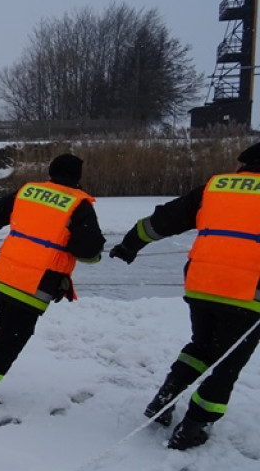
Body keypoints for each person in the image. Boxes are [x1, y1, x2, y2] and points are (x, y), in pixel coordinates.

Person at [109, 141, 260, 450]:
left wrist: (130, 244)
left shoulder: (215, 188)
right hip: (246, 293)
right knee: (227, 365)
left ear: (243, 164)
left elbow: (164, 220)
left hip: (202, 285)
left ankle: (165, 398)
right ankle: (193, 427)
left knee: (201, 347)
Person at [0, 153, 104, 407]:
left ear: (51, 173)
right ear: (77, 178)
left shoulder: (28, 191)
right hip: (35, 284)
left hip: (6, 274)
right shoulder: (78, 205)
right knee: (12, 339)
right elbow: (89, 252)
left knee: (1, 324)